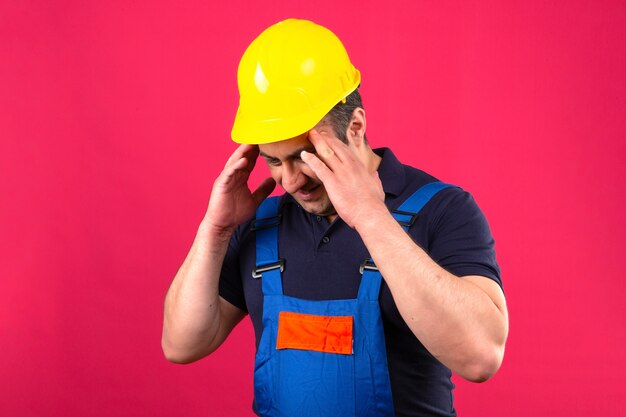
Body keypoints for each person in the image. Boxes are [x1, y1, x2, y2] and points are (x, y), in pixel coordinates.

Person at [162, 18, 508, 417]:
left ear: (356, 127)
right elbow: (180, 344)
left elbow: (481, 357)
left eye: (305, 158)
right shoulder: (263, 222)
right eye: (274, 161)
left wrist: (370, 216)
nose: (290, 181)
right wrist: (216, 229)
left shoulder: (442, 209)